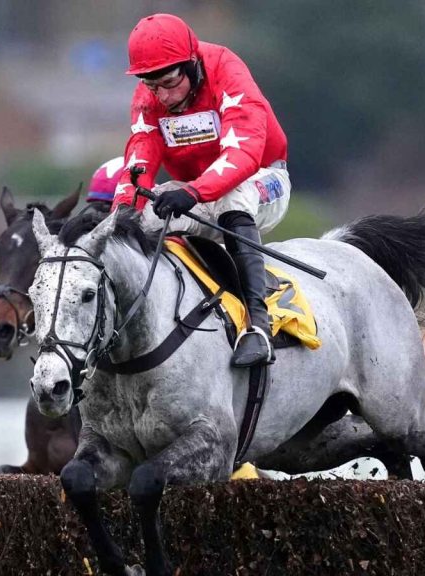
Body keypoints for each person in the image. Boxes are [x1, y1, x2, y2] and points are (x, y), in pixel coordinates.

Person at [112, 13, 290, 368]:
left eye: (168, 82)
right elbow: (140, 158)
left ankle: (257, 325)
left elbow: (244, 154)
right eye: (151, 85)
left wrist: (194, 192)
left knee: (231, 195)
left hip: (262, 181)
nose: (162, 95)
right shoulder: (150, 93)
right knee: (134, 225)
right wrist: (120, 212)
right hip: (193, 194)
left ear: (191, 63)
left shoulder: (227, 71)